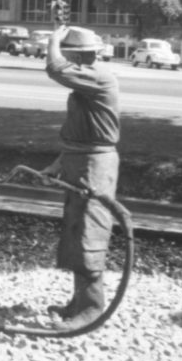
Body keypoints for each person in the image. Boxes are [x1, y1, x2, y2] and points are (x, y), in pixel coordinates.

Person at [40, 24, 120, 330]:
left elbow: (55, 69)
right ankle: (78, 302)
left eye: (69, 53)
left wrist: (52, 42)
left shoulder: (98, 76)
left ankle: (92, 308)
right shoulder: (85, 83)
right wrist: (57, 165)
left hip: (95, 165)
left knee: (90, 233)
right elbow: (80, 136)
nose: (67, 59)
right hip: (81, 160)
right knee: (76, 231)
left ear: (79, 55)